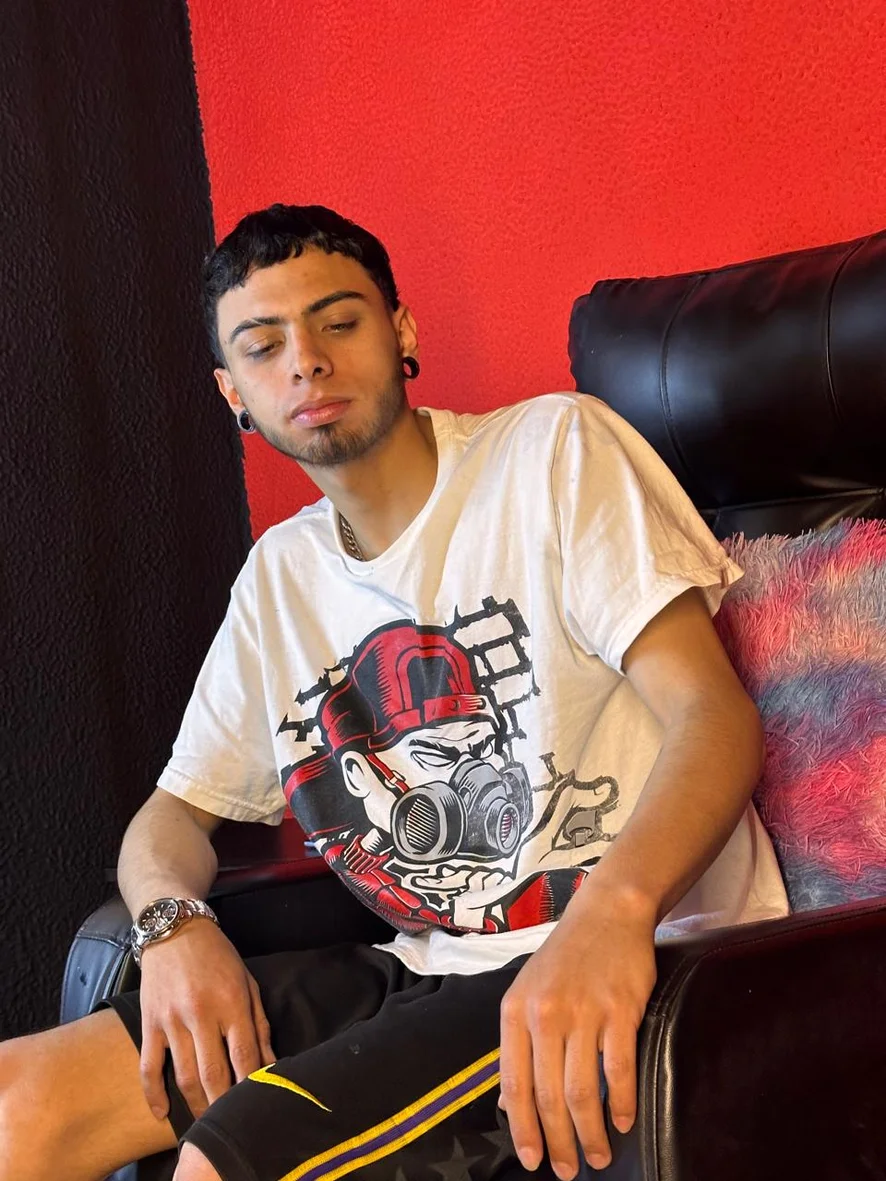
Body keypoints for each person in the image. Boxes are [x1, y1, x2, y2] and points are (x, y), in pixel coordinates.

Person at [0, 204, 788, 1181]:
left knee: (225, 1164)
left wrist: (614, 911)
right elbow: (170, 817)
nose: (306, 362)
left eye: (338, 321)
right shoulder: (280, 577)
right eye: (263, 345)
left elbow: (712, 715)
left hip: (642, 956)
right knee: (18, 1104)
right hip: (422, 968)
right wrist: (173, 925)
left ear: (401, 330)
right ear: (232, 390)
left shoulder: (552, 452)